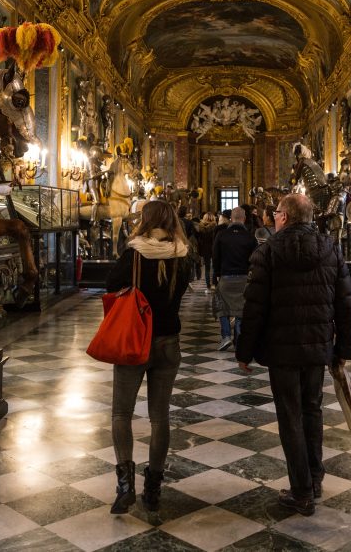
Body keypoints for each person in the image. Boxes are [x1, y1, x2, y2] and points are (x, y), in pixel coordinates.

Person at [237, 193, 351, 516]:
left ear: (285, 217)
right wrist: (343, 349)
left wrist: (244, 350)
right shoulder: (331, 250)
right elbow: (347, 304)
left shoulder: (269, 252)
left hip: (283, 350)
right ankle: (314, 479)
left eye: (276, 212)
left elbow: (254, 308)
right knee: (312, 410)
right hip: (318, 347)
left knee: (290, 415)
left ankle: (302, 491)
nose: (273, 217)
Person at [105, 200, 193, 515]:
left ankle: (125, 485)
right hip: (168, 341)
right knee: (160, 417)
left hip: (135, 340)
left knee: (121, 414)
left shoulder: (134, 253)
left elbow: (111, 286)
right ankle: (152, 488)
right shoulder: (183, 255)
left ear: (146, 219)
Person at [213, 206, 257, 351]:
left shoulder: (221, 235)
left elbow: (216, 257)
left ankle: (226, 336)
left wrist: (216, 276)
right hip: (244, 277)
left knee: (222, 307)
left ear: (231, 218)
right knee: (241, 308)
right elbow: (255, 260)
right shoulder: (250, 237)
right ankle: (239, 337)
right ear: (244, 219)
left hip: (226, 276)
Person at [197, 212, 217, 289]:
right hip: (213, 248)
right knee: (215, 266)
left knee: (207, 268)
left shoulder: (200, 227)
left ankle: (208, 284)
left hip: (205, 249)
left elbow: (199, 240)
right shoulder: (215, 227)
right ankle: (214, 283)